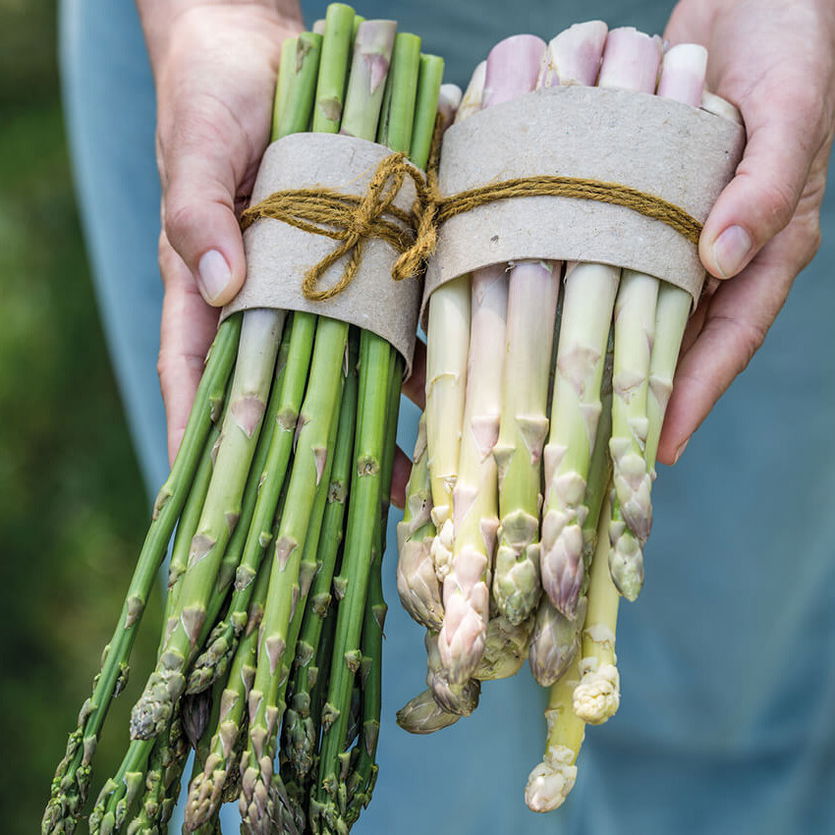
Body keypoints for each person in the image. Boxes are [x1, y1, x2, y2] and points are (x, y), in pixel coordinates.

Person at [59, 0, 835, 832]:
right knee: (414, 793)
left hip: (719, 81)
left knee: (728, 722)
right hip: (266, 69)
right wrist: (209, 18)